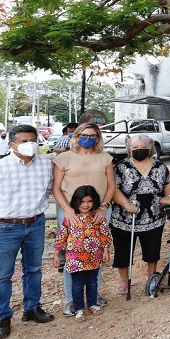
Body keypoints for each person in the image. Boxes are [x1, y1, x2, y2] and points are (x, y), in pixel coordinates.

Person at [0, 124, 55, 339]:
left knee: (34, 269)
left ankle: (32, 308)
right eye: (23, 141)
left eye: (33, 140)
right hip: (6, 227)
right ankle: (2, 316)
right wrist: (3, 215)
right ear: (11, 144)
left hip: (36, 224)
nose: (30, 145)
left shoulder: (46, 165)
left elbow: (49, 190)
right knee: (3, 274)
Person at [52, 122, 116, 316]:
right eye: (85, 135)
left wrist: (103, 207)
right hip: (71, 212)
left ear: (98, 138)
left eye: (93, 135)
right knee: (73, 254)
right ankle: (71, 299)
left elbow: (111, 186)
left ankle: (93, 295)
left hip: (98, 211)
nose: (89, 138)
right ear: (77, 136)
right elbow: (56, 188)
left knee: (96, 253)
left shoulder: (105, 158)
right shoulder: (64, 158)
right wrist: (67, 209)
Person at [110, 135, 170, 294]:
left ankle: (152, 278)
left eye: (142, 147)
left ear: (150, 148)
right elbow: (113, 189)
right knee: (123, 250)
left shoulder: (160, 166)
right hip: (125, 217)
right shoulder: (121, 166)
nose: (139, 150)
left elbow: (167, 186)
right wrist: (126, 204)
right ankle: (124, 281)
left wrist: (168, 201)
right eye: (135, 147)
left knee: (152, 250)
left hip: (154, 217)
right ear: (129, 149)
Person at [54, 185, 112, 322]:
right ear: (76, 201)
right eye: (82, 202)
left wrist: (105, 250)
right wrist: (56, 254)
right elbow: (61, 236)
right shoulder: (70, 218)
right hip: (75, 259)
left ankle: (92, 303)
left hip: (94, 257)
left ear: (94, 202)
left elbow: (105, 235)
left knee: (92, 282)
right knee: (77, 284)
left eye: (89, 201)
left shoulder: (98, 218)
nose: (86, 205)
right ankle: (79, 308)